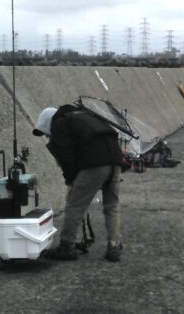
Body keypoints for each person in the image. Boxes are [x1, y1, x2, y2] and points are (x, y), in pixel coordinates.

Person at [33, 105, 124, 262]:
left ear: (49, 123)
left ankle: (66, 246)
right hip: (115, 158)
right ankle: (114, 246)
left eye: (47, 134)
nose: (48, 137)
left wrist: (71, 181)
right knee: (111, 205)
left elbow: (66, 157)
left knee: (75, 205)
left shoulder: (59, 124)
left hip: (95, 162)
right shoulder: (83, 116)